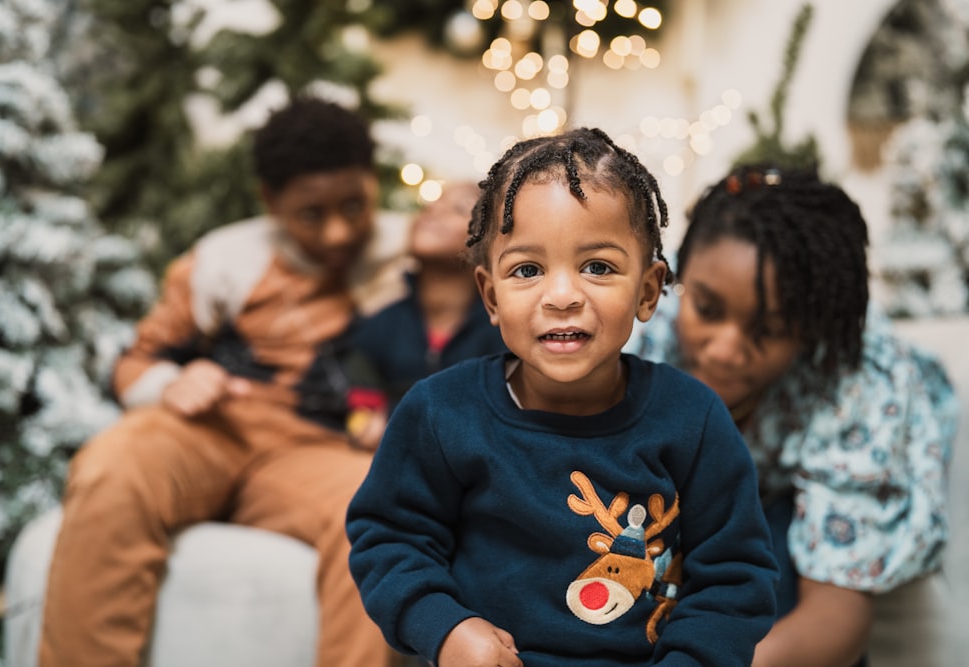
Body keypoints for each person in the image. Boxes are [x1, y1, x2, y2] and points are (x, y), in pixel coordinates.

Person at [346, 127, 780, 667]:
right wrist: (447, 629)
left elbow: (735, 578)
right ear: (491, 296)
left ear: (647, 291)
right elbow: (389, 541)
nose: (562, 296)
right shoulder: (440, 413)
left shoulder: (693, 420)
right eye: (527, 270)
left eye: (597, 267)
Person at [38, 95, 409, 667]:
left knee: (379, 513)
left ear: (374, 183)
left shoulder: (411, 252)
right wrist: (170, 384)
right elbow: (136, 361)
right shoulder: (223, 259)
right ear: (270, 201)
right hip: (215, 426)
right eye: (312, 214)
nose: (337, 233)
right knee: (113, 469)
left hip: (318, 450)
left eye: (354, 206)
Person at [623, 164, 960, 667]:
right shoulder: (647, 320)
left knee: (766, 545)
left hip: (805, 481)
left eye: (768, 330)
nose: (725, 349)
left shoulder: (858, 386)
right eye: (709, 311)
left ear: (806, 331)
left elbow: (837, 617)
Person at [344, 180, 507, 451]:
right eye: (430, 205)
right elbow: (359, 402)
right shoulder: (379, 325)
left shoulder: (505, 331)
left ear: (490, 242)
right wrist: (363, 425)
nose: (433, 210)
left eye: (457, 208)